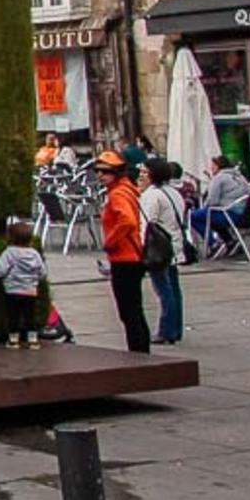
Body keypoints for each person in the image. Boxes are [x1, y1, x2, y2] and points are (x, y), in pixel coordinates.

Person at [96, 150, 151, 354]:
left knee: (129, 311)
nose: (100, 175)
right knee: (134, 309)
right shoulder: (127, 189)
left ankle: (138, 352)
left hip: (124, 257)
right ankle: (141, 350)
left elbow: (126, 220)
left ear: (116, 173)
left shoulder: (118, 193)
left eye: (105, 171)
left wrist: (110, 241)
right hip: (133, 255)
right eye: (98, 171)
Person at [139, 158, 185, 346]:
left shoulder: (151, 196)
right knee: (173, 289)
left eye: (144, 172)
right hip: (174, 244)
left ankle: (166, 330)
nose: (140, 176)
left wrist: (141, 249)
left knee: (163, 289)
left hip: (159, 248)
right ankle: (175, 329)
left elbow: (147, 224)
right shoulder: (174, 193)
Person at [0, 221, 46, 350]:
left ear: (10, 238)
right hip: (30, 291)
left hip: (12, 291)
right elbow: (42, 271)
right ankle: (33, 340)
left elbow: (1, 270)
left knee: (13, 316)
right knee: (30, 316)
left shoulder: (9, 253)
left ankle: (14, 340)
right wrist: (36, 280)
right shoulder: (34, 254)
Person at [189, 155, 250, 257]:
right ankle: (229, 241)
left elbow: (212, 201)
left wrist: (204, 206)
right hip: (245, 214)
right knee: (209, 216)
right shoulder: (241, 177)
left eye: (212, 166)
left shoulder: (219, 179)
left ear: (218, 166)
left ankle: (213, 244)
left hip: (229, 214)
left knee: (193, 216)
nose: (211, 168)